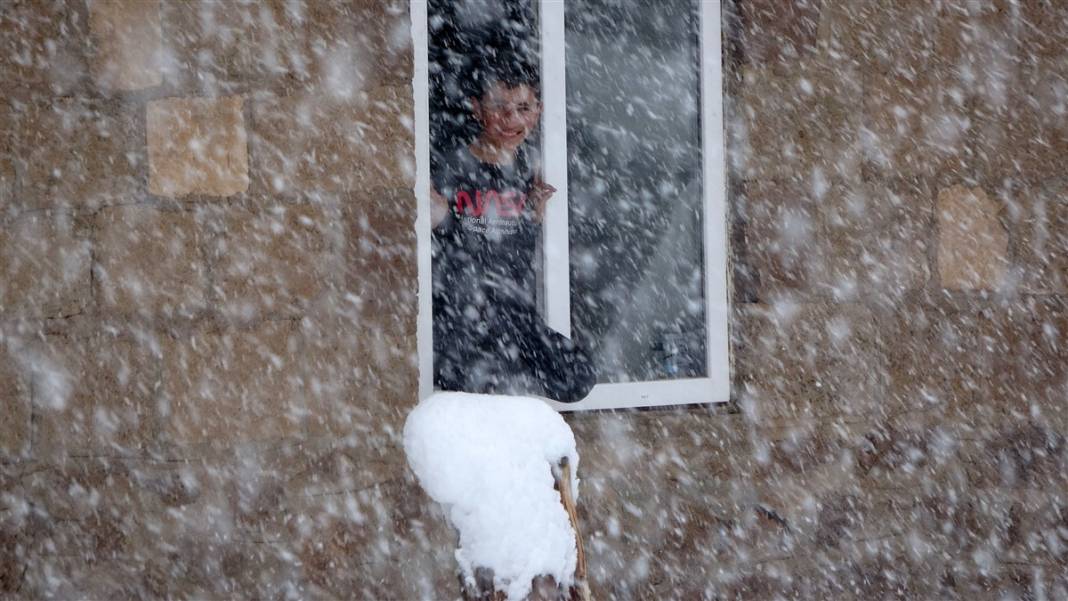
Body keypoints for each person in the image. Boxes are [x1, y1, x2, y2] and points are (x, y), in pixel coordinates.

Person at [430, 60, 595, 403]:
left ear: (539, 110)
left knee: (576, 376)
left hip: (515, 318)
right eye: (498, 107)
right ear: (477, 109)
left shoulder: (531, 170)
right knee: (479, 393)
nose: (512, 119)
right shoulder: (451, 166)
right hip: (464, 318)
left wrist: (534, 218)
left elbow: (515, 248)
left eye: (523, 108)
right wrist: (445, 221)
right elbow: (459, 249)